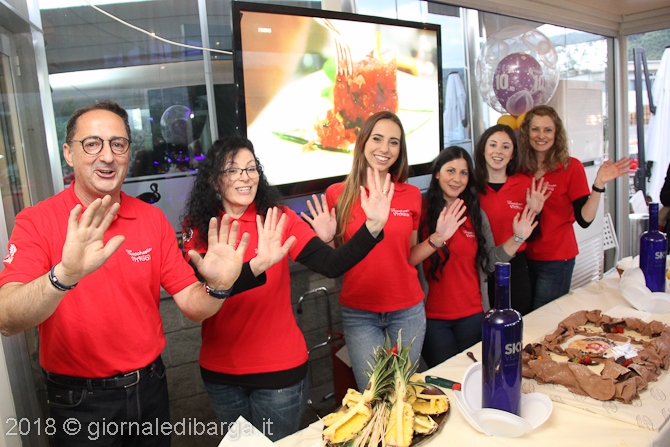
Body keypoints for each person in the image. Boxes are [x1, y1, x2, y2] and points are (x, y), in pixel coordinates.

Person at [0, 100, 287, 447]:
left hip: (150, 389)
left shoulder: (151, 220)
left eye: (118, 144)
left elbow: (192, 305)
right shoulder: (37, 221)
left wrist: (218, 287)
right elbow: (7, 318)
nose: (107, 156)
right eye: (92, 144)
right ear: (68, 153)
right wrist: (63, 276)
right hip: (80, 400)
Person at [181, 136, 392, 441]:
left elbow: (331, 264)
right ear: (214, 180)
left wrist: (372, 228)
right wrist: (256, 267)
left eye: (251, 168)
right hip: (221, 373)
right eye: (232, 170)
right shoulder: (201, 225)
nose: (245, 177)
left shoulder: (278, 218)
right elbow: (200, 294)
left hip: (279, 372)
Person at [304, 111, 425, 391]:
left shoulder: (411, 195)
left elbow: (408, 255)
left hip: (407, 309)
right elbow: (336, 261)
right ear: (362, 143)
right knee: (372, 394)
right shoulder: (337, 194)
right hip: (360, 312)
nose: (385, 148)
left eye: (394, 142)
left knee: (402, 391)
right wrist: (325, 240)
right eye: (377, 139)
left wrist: (439, 239)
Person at [408, 146, 537, 367]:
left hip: (473, 315)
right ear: (437, 173)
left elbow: (490, 263)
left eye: (464, 173)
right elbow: (408, 259)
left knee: (475, 375)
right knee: (445, 378)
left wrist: (518, 237)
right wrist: (438, 237)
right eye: (450, 171)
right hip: (433, 319)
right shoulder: (419, 210)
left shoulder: (476, 213)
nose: (457, 179)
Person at [518, 105, 630, 310]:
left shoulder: (571, 167)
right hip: (522, 255)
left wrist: (599, 184)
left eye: (548, 130)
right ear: (527, 133)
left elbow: (584, 219)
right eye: (535, 129)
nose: (541, 135)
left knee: (545, 317)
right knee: (524, 315)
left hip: (556, 259)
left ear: (557, 134)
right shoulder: (519, 167)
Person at [474, 124, 550, 315]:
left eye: (505, 146)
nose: (498, 151)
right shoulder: (471, 187)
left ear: (513, 154)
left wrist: (536, 212)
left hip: (515, 268)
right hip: (478, 269)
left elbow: (532, 236)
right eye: (493, 145)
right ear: (483, 150)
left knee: (518, 319)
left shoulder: (525, 184)